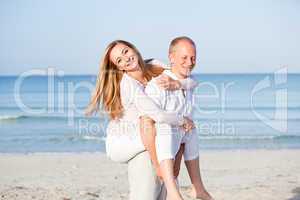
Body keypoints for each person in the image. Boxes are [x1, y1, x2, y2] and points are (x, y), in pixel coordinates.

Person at [85, 40, 197, 200]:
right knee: (159, 128)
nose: (126, 59)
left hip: (148, 132)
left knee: (171, 135)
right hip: (124, 140)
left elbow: (192, 81)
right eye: (119, 60)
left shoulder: (154, 65)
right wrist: (183, 120)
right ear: (119, 67)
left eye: (125, 51)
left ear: (133, 48)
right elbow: (157, 116)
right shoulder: (128, 85)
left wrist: (177, 83)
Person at [140, 36, 214, 200]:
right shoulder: (159, 84)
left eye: (193, 57)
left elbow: (193, 82)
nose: (190, 62)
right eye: (185, 57)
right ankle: (174, 194)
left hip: (180, 138)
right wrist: (156, 162)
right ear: (171, 57)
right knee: (166, 127)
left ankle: (198, 188)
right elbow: (149, 121)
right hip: (162, 141)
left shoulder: (187, 81)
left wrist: (179, 84)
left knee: (192, 130)